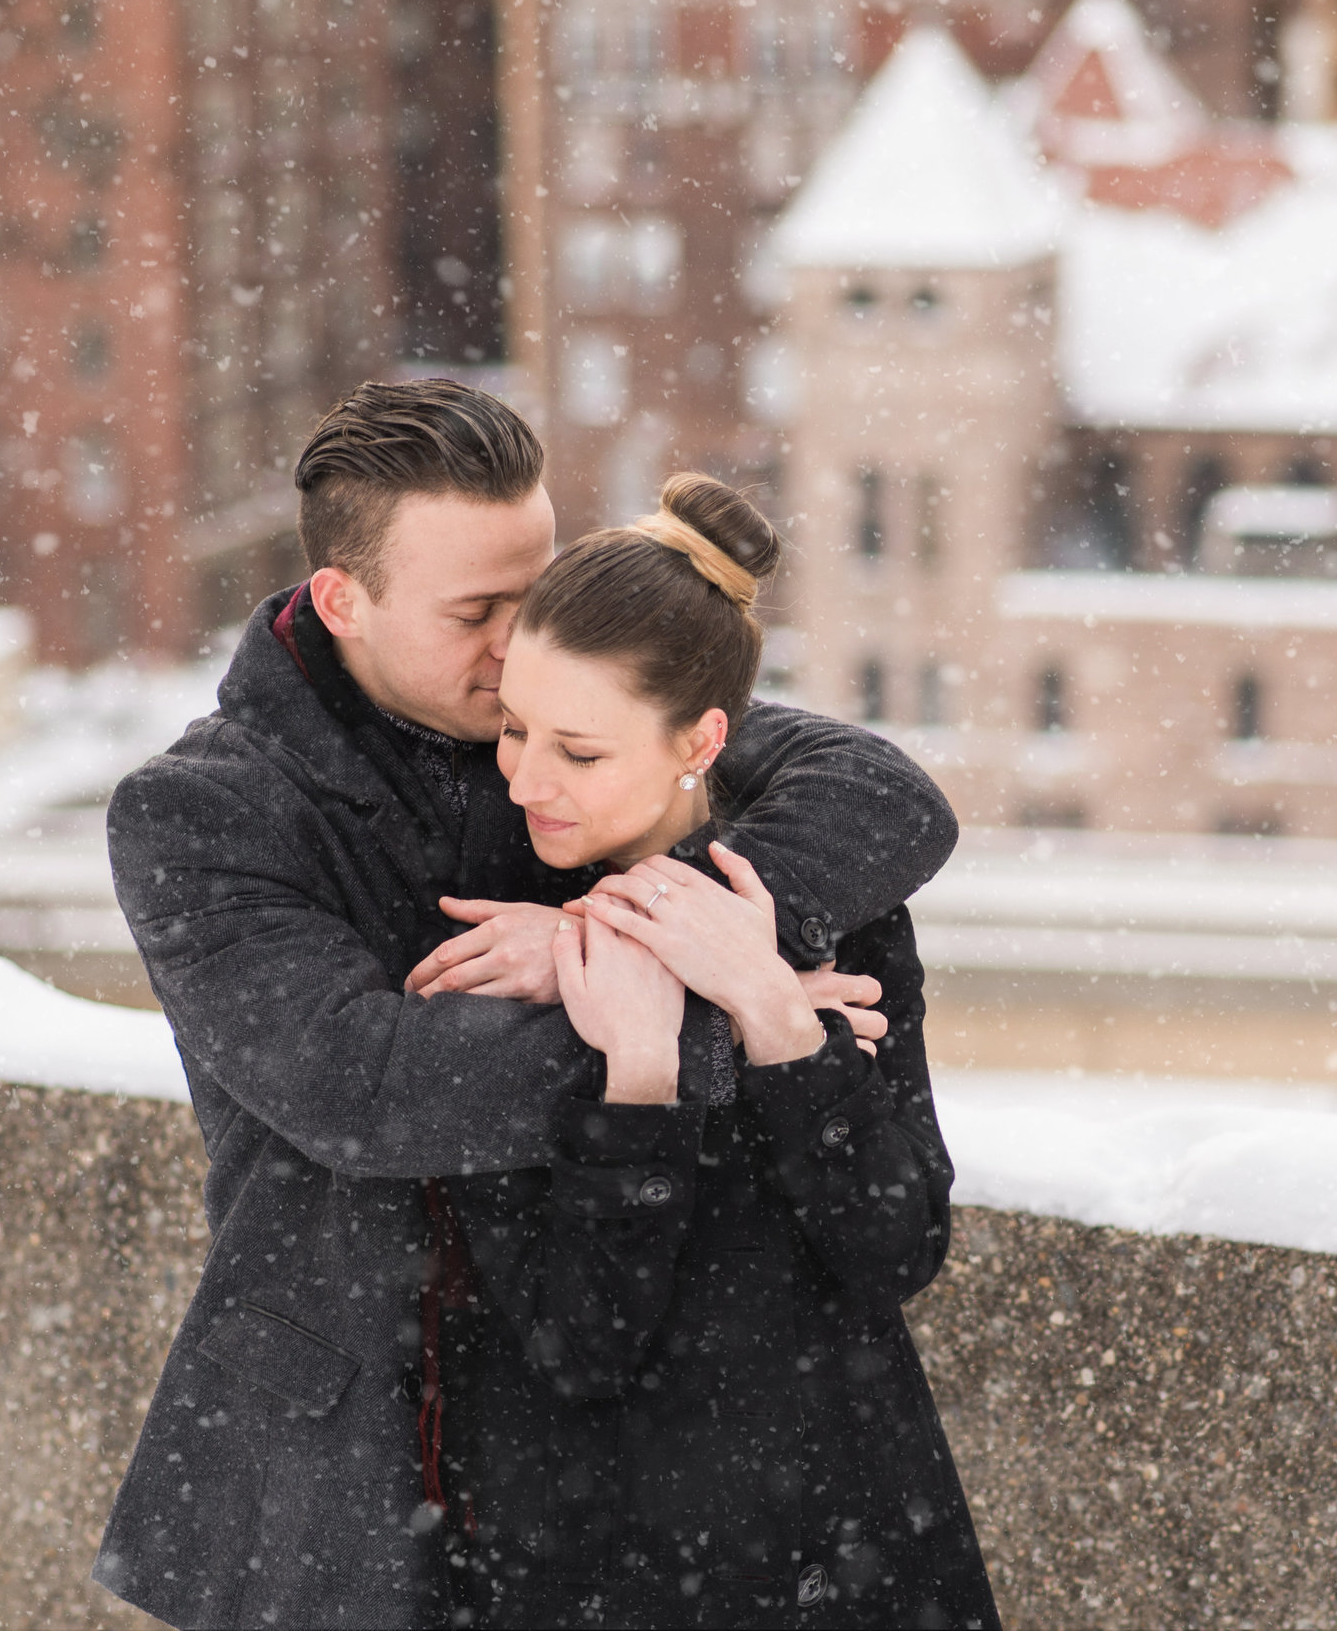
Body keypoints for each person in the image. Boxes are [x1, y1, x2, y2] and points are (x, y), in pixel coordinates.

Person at [92, 382, 959, 1629]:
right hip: (351, 1438)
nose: (518, 643)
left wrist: (602, 930)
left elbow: (883, 795)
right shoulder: (198, 814)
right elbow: (368, 1089)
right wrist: (717, 1013)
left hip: (629, 1450)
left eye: (535, 585)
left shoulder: (569, 722)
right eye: (476, 611)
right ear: (344, 599)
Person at [428, 473, 995, 1628]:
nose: (527, 778)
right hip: (604, 1562)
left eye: (578, 752)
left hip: (848, 1541)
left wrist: (773, 1017)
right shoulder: (495, 936)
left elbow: (896, 1247)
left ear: (703, 739)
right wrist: (641, 1079)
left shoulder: (827, 904)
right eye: (515, 727)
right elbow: (575, 1343)